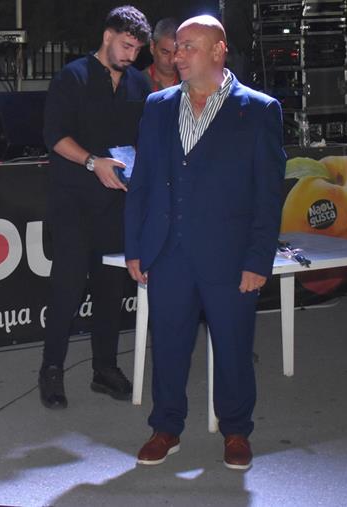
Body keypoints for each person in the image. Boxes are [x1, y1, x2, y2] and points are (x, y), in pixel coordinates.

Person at [125, 15, 285, 470]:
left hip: (230, 257)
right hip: (168, 252)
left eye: (189, 46)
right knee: (168, 346)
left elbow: (268, 194)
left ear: (218, 50)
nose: (178, 55)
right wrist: (135, 246)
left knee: (233, 346)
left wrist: (258, 259)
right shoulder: (157, 105)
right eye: (176, 47)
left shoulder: (259, 110)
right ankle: (166, 427)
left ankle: (236, 430)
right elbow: (142, 182)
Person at [39, 5, 151, 409]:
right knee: (67, 290)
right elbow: (54, 136)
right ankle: (51, 370)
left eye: (137, 49)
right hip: (73, 202)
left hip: (117, 205)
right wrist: (92, 162)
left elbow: (144, 138)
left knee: (110, 291)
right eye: (126, 46)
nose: (131, 55)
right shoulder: (73, 76)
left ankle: (105, 368)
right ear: (107, 36)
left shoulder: (139, 83)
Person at [142, 18, 180, 92]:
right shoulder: (134, 84)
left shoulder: (191, 83)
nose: (172, 60)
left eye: (176, 53)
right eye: (165, 52)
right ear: (152, 47)